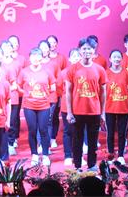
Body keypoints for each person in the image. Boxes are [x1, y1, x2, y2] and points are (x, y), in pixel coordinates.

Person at [64, 38, 106, 171]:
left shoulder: (99, 69)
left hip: (94, 111)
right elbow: (68, 91)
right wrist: (69, 112)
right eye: (84, 49)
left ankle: (92, 165)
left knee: (93, 141)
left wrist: (103, 113)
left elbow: (103, 93)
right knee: (77, 141)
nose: (87, 51)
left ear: (94, 50)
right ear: (79, 50)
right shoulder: (72, 69)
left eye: (89, 49)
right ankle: (77, 166)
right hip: (77, 111)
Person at [17, 47, 55, 166]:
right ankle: (34, 154)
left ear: (41, 58)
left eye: (38, 56)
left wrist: (44, 94)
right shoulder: (24, 72)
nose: (36, 58)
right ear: (30, 58)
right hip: (29, 106)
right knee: (32, 130)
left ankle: (45, 155)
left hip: (44, 106)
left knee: (43, 130)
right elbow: (18, 86)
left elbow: (53, 87)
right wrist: (26, 93)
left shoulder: (47, 71)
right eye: (33, 56)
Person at [104, 49, 128, 165]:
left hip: (123, 108)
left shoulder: (126, 73)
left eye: (118, 57)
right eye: (114, 57)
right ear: (110, 59)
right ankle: (111, 155)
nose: (116, 59)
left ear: (121, 59)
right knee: (110, 133)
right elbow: (102, 90)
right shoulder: (106, 73)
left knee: (122, 133)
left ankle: (121, 155)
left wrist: (125, 92)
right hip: (109, 108)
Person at [56, 48, 80, 167]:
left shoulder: (84, 71)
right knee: (68, 131)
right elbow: (59, 88)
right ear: (69, 59)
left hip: (81, 106)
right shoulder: (63, 73)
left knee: (79, 131)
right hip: (67, 106)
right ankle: (68, 156)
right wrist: (67, 97)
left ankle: (78, 156)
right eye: (73, 56)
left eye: (78, 56)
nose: (76, 58)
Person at [43, 35, 67, 150]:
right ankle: (44, 141)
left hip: (56, 92)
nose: (51, 45)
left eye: (53, 42)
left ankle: (53, 138)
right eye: (49, 43)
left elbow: (62, 76)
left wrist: (60, 92)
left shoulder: (60, 58)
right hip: (44, 94)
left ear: (56, 44)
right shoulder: (40, 60)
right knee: (46, 118)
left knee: (54, 116)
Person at [0, 40, 22, 156]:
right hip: (0, 98)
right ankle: (1, 144)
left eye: (9, 47)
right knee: (1, 121)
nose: (7, 50)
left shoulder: (16, 63)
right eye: (5, 47)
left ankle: (11, 143)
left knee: (12, 121)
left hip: (13, 97)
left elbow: (19, 80)